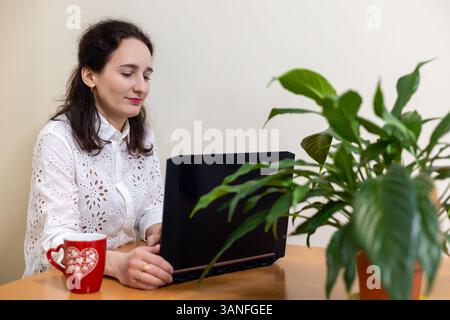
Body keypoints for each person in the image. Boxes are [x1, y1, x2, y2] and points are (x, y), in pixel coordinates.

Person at [23, 19, 173, 290]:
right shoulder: (57, 139)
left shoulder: (142, 134)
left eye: (146, 75)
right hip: (60, 285)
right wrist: (116, 265)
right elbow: (55, 239)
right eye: (128, 73)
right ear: (90, 76)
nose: (142, 87)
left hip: (119, 281)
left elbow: (152, 204)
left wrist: (157, 227)